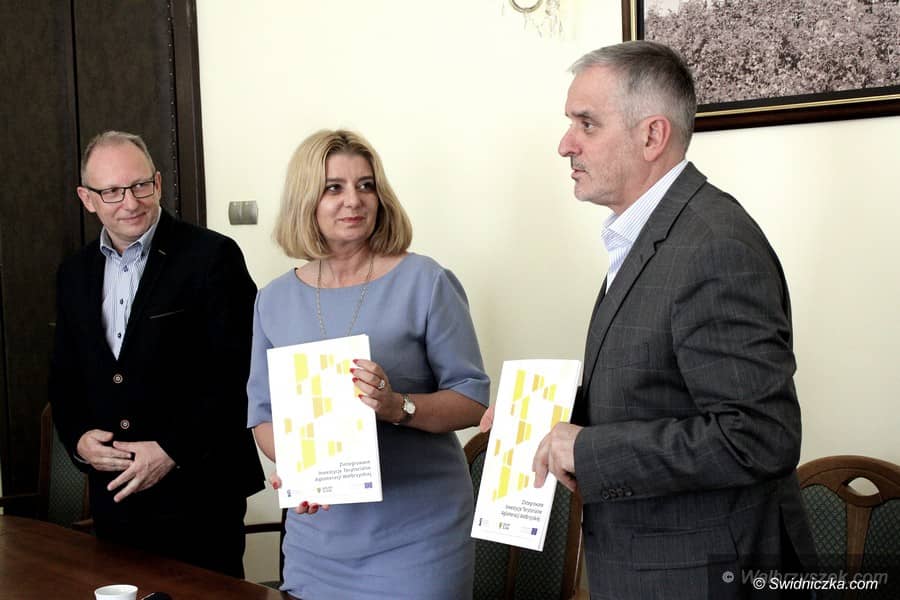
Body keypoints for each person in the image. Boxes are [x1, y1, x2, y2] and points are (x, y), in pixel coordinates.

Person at [484, 41, 816, 598]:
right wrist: (545, 418)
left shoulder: (713, 245)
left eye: (586, 124)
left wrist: (587, 450)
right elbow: (655, 391)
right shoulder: (652, 233)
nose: (565, 144)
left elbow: (759, 436)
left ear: (652, 136)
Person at [247, 129, 490, 599]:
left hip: (420, 536)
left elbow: (471, 399)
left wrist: (397, 406)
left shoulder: (425, 281)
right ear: (305, 199)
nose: (353, 200)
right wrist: (299, 468)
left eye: (366, 185)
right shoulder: (273, 300)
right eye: (333, 187)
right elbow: (263, 415)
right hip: (317, 542)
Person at [50, 130, 264, 578]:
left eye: (140, 185)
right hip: (116, 497)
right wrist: (79, 441)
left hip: (201, 494)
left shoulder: (213, 256)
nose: (130, 202)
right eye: (112, 191)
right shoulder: (74, 273)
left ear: (159, 183)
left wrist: (172, 450)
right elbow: (65, 377)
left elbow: (242, 372)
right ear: (87, 199)